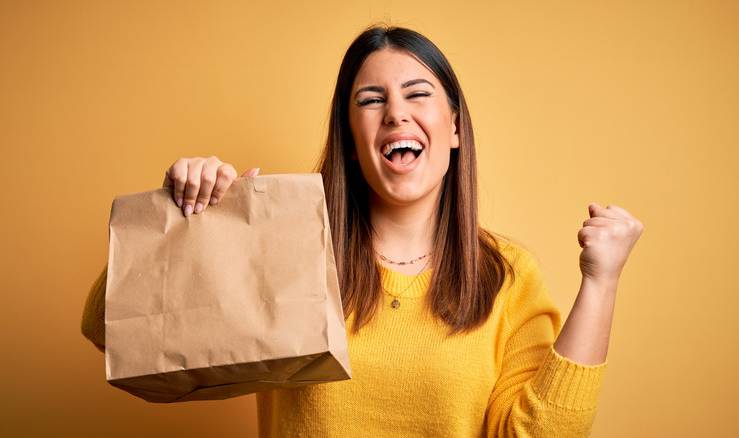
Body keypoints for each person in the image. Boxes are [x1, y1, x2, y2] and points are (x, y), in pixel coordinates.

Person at [83, 26, 642, 437]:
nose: (395, 113)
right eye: (370, 101)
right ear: (352, 142)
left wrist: (601, 283)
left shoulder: (507, 276)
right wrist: (189, 224)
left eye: (418, 94)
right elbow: (110, 332)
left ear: (453, 128)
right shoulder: (290, 245)